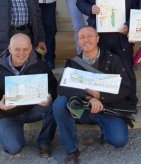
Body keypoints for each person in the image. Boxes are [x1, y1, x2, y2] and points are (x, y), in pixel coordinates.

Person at [52, 26, 132, 164]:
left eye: (90, 36)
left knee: (119, 141)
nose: (86, 39)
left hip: (108, 110)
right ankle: (71, 150)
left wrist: (101, 96)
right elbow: (62, 88)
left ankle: (106, 130)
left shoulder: (113, 60)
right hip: (83, 110)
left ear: (97, 39)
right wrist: (89, 98)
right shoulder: (73, 64)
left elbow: (125, 87)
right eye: (82, 37)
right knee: (59, 104)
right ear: (78, 41)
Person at [77, 0, 139, 112]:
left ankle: (130, 102)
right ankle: (103, 101)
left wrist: (129, 25)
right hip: (98, 35)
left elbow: (135, 11)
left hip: (120, 36)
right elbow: (80, 1)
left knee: (125, 69)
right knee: (99, 69)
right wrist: (90, 8)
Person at [0, 33, 57, 157]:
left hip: (32, 108)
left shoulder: (40, 65)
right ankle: (13, 132)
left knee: (56, 106)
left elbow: (53, 85)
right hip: (7, 114)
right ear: (9, 48)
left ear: (31, 48)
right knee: (13, 148)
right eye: (17, 49)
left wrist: (49, 95)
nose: (21, 53)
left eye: (26, 49)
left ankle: (44, 142)